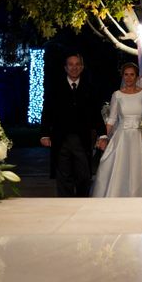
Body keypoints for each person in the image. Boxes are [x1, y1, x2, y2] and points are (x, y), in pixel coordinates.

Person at [91, 62, 142, 197]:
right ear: (122, 76)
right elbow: (112, 119)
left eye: (132, 75)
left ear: (137, 77)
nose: (129, 78)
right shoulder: (117, 95)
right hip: (122, 137)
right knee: (119, 168)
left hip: (141, 137)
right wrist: (103, 137)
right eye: (126, 75)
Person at [40, 53, 104, 197]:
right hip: (60, 138)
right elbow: (47, 111)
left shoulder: (90, 88)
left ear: (82, 67)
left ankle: (81, 203)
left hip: (82, 139)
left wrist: (102, 133)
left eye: (77, 64)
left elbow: (95, 113)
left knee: (84, 175)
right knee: (63, 176)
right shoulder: (55, 87)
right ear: (65, 67)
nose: (74, 68)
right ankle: (65, 205)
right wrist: (44, 133)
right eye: (71, 64)